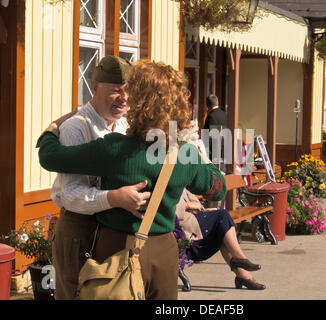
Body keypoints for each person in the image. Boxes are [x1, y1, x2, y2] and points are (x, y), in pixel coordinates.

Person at [38, 60, 227, 300]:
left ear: (139, 103)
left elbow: (51, 157)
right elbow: (218, 188)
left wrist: (52, 129)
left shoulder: (114, 148)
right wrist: (192, 149)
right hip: (164, 252)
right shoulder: (183, 154)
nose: (125, 98)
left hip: (115, 247)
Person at [49, 56, 152, 300]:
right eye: (116, 91)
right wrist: (115, 198)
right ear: (94, 87)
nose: (124, 98)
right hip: (78, 229)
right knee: (77, 294)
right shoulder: (76, 127)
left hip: (113, 230)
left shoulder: (126, 125)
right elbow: (71, 194)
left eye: (127, 91)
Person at [176, 189, 266, 290]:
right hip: (184, 228)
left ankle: (242, 273)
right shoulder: (161, 180)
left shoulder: (177, 179)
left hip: (195, 220)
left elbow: (193, 199)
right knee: (222, 216)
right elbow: (165, 208)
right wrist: (187, 205)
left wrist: (195, 205)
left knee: (223, 227)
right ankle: (240, 262)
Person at [203, 95, 227, 164]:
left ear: (207, 105)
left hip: (214, 153)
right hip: (225, 152)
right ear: (217, 103)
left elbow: (206, 137)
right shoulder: (225, 115)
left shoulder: (210, 116)